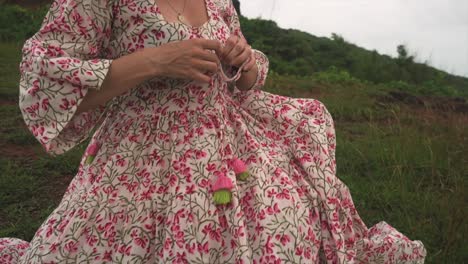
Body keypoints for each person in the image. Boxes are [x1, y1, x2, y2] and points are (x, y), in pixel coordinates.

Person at [0, 0, 427, 263]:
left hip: (227, 143)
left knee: (288, 223)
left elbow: (248, 73)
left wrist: (244, 63)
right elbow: (46, 78)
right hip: (140, 149)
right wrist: (155, 62)